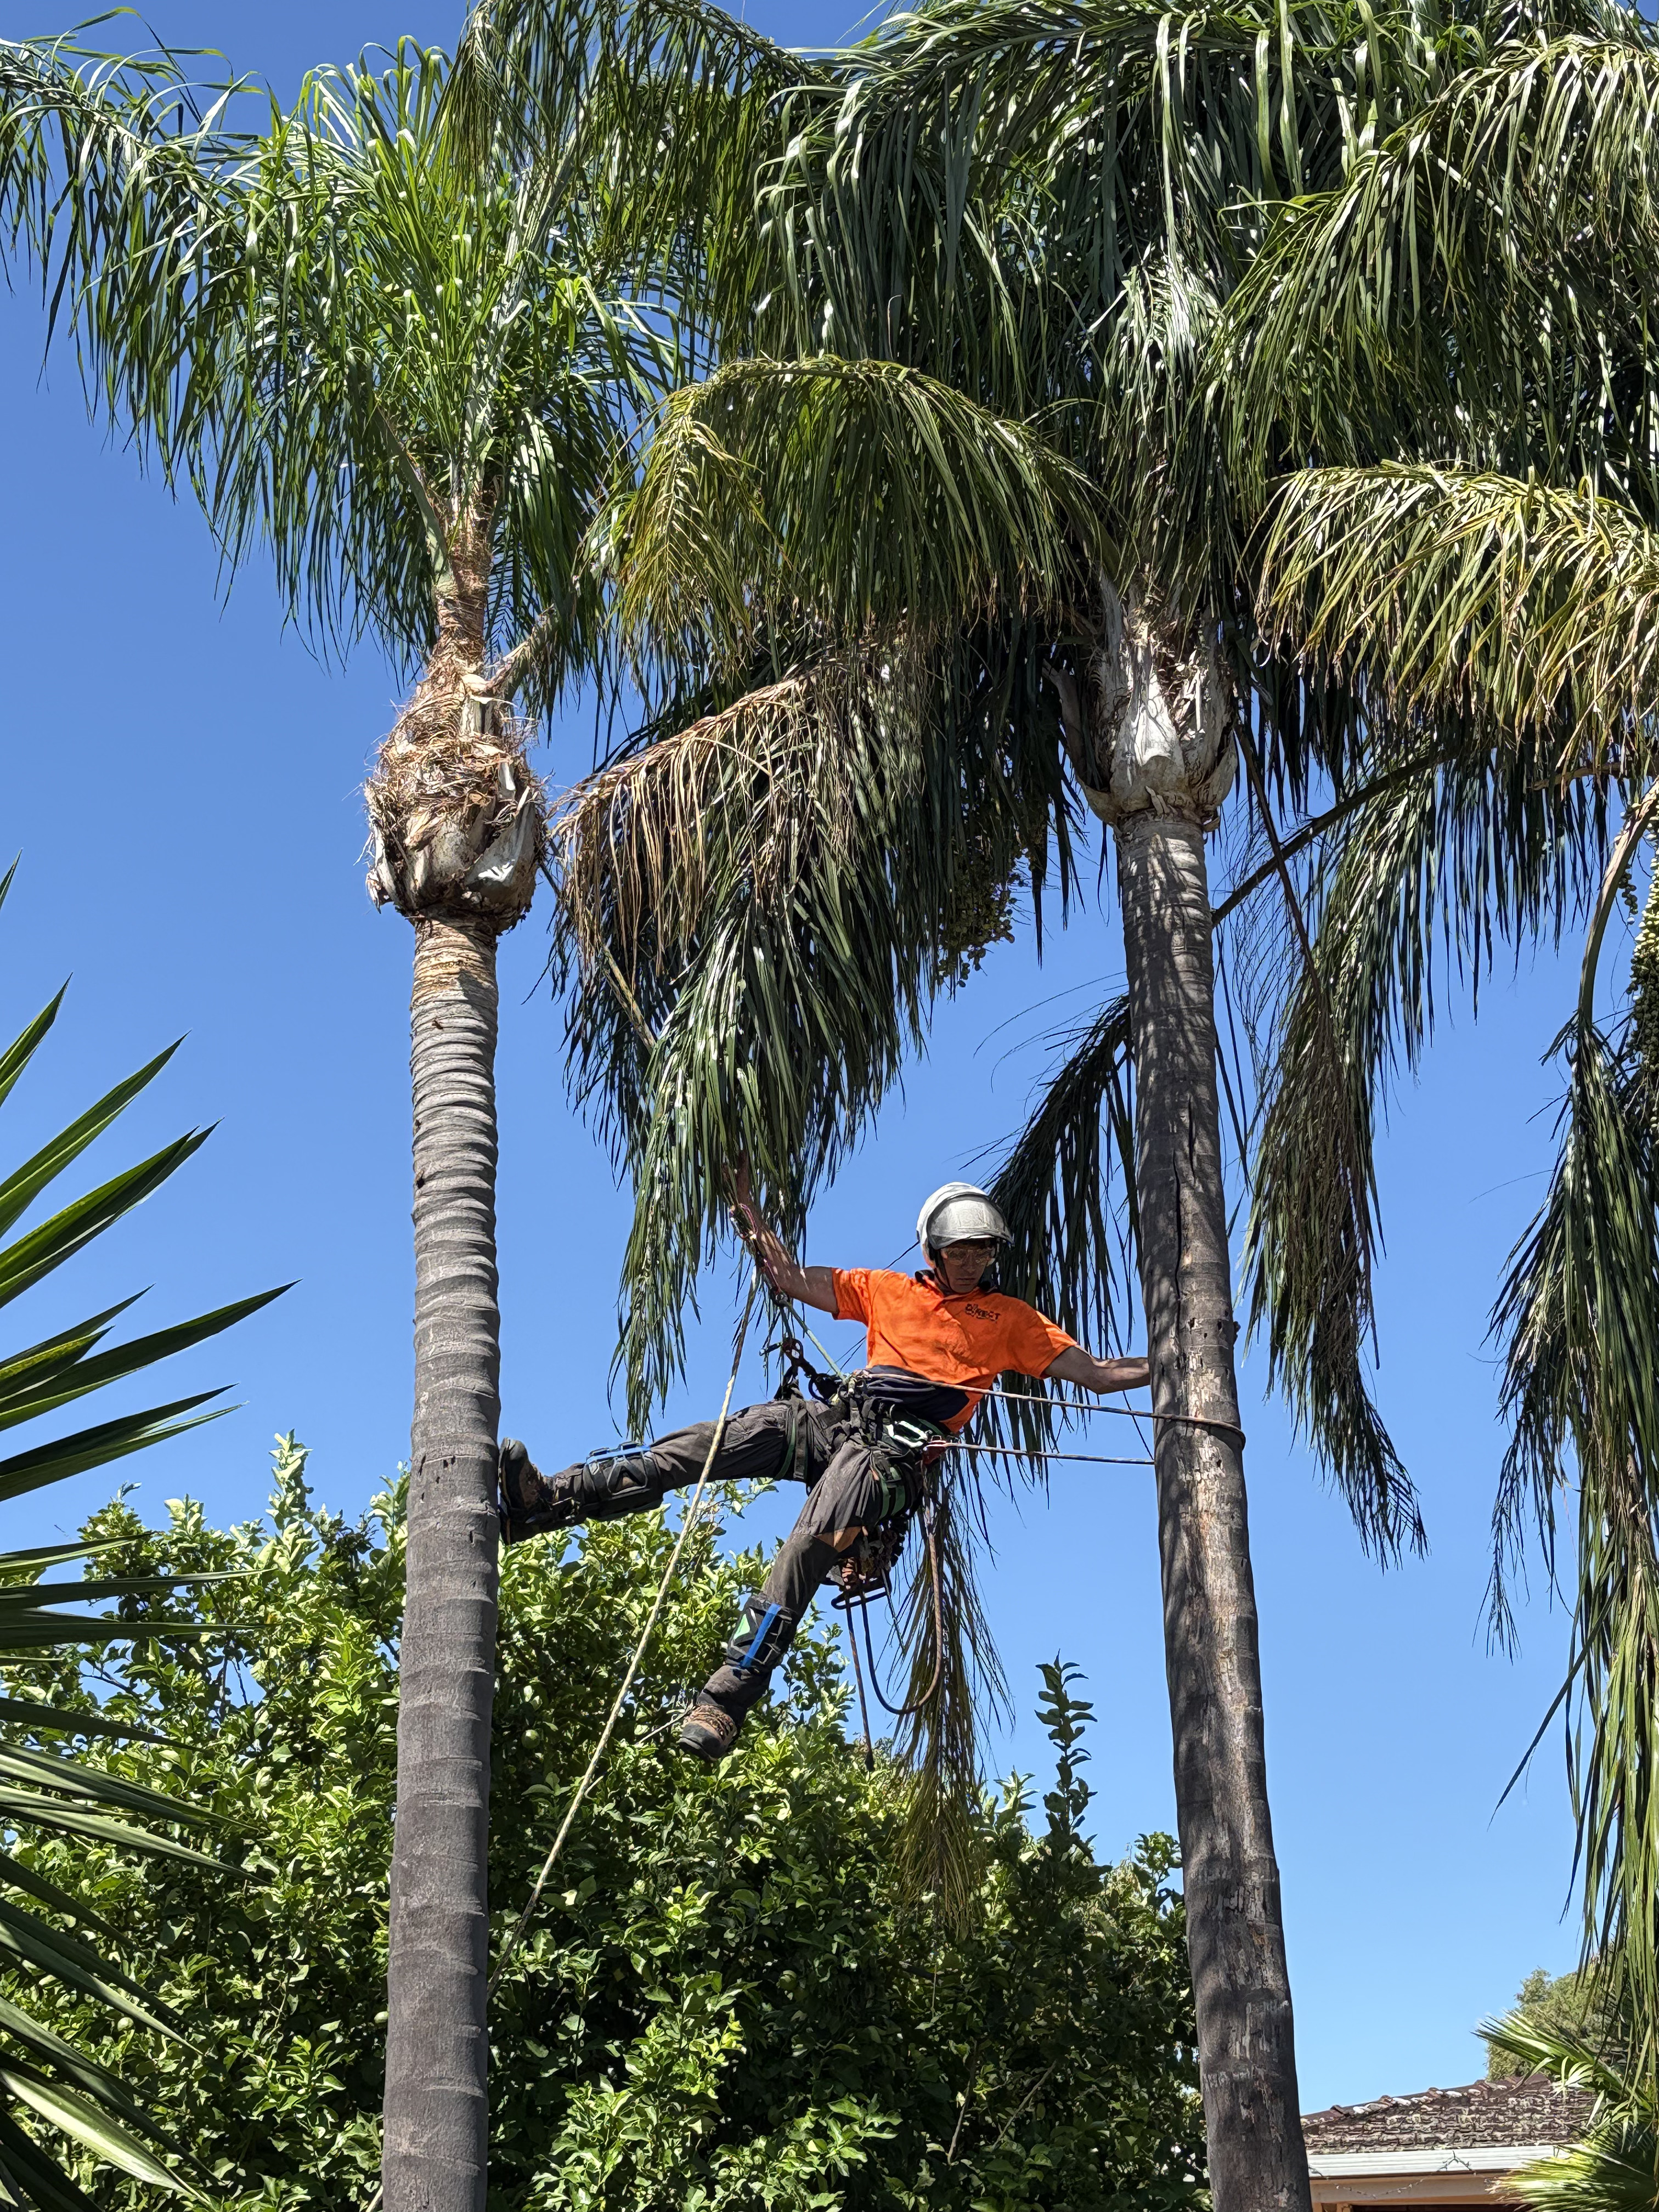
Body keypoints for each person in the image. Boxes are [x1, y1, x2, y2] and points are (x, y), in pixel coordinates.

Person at [498, 1175, 1149, 1762]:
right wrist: (745, 1201)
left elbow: (1095, 1374)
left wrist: (1171, 1358)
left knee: (809, 1543)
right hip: (837, 1421)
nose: (973, 1260)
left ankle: (727, 1700)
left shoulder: (1010, 1320)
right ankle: (547, 1501)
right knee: (714, 1441)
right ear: (933, 1250)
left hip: (893, 1454)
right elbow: (786, 1276)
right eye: (961, 1250)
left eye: (983, 1250)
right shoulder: (884, 1290)